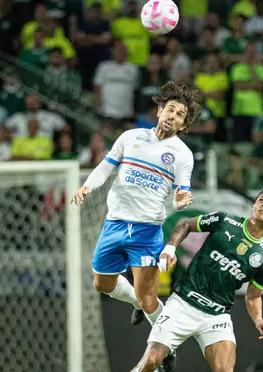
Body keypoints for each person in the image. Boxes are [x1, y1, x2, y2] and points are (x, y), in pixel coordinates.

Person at [71, 81, 202, 371]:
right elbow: (106, 166)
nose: (173, 116)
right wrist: (86, 187)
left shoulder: (182, 155)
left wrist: (181, 199)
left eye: (180, 115)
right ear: (159, 111)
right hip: (114, 223)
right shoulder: (131, 137)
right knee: (102, 283)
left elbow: (181, 196)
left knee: (149, 298)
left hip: (146, 232)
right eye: (170, 109)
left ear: (183, 124)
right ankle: (134, 302)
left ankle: (166, 348)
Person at [133, 185, 263, 372]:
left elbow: (253, 296)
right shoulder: (225, 221)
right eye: (261, 200)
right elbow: (186, 224)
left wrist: (259, 320)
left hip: (216, 316)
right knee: (150, 362)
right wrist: (171, 248)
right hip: (183, 303)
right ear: (253, 206)